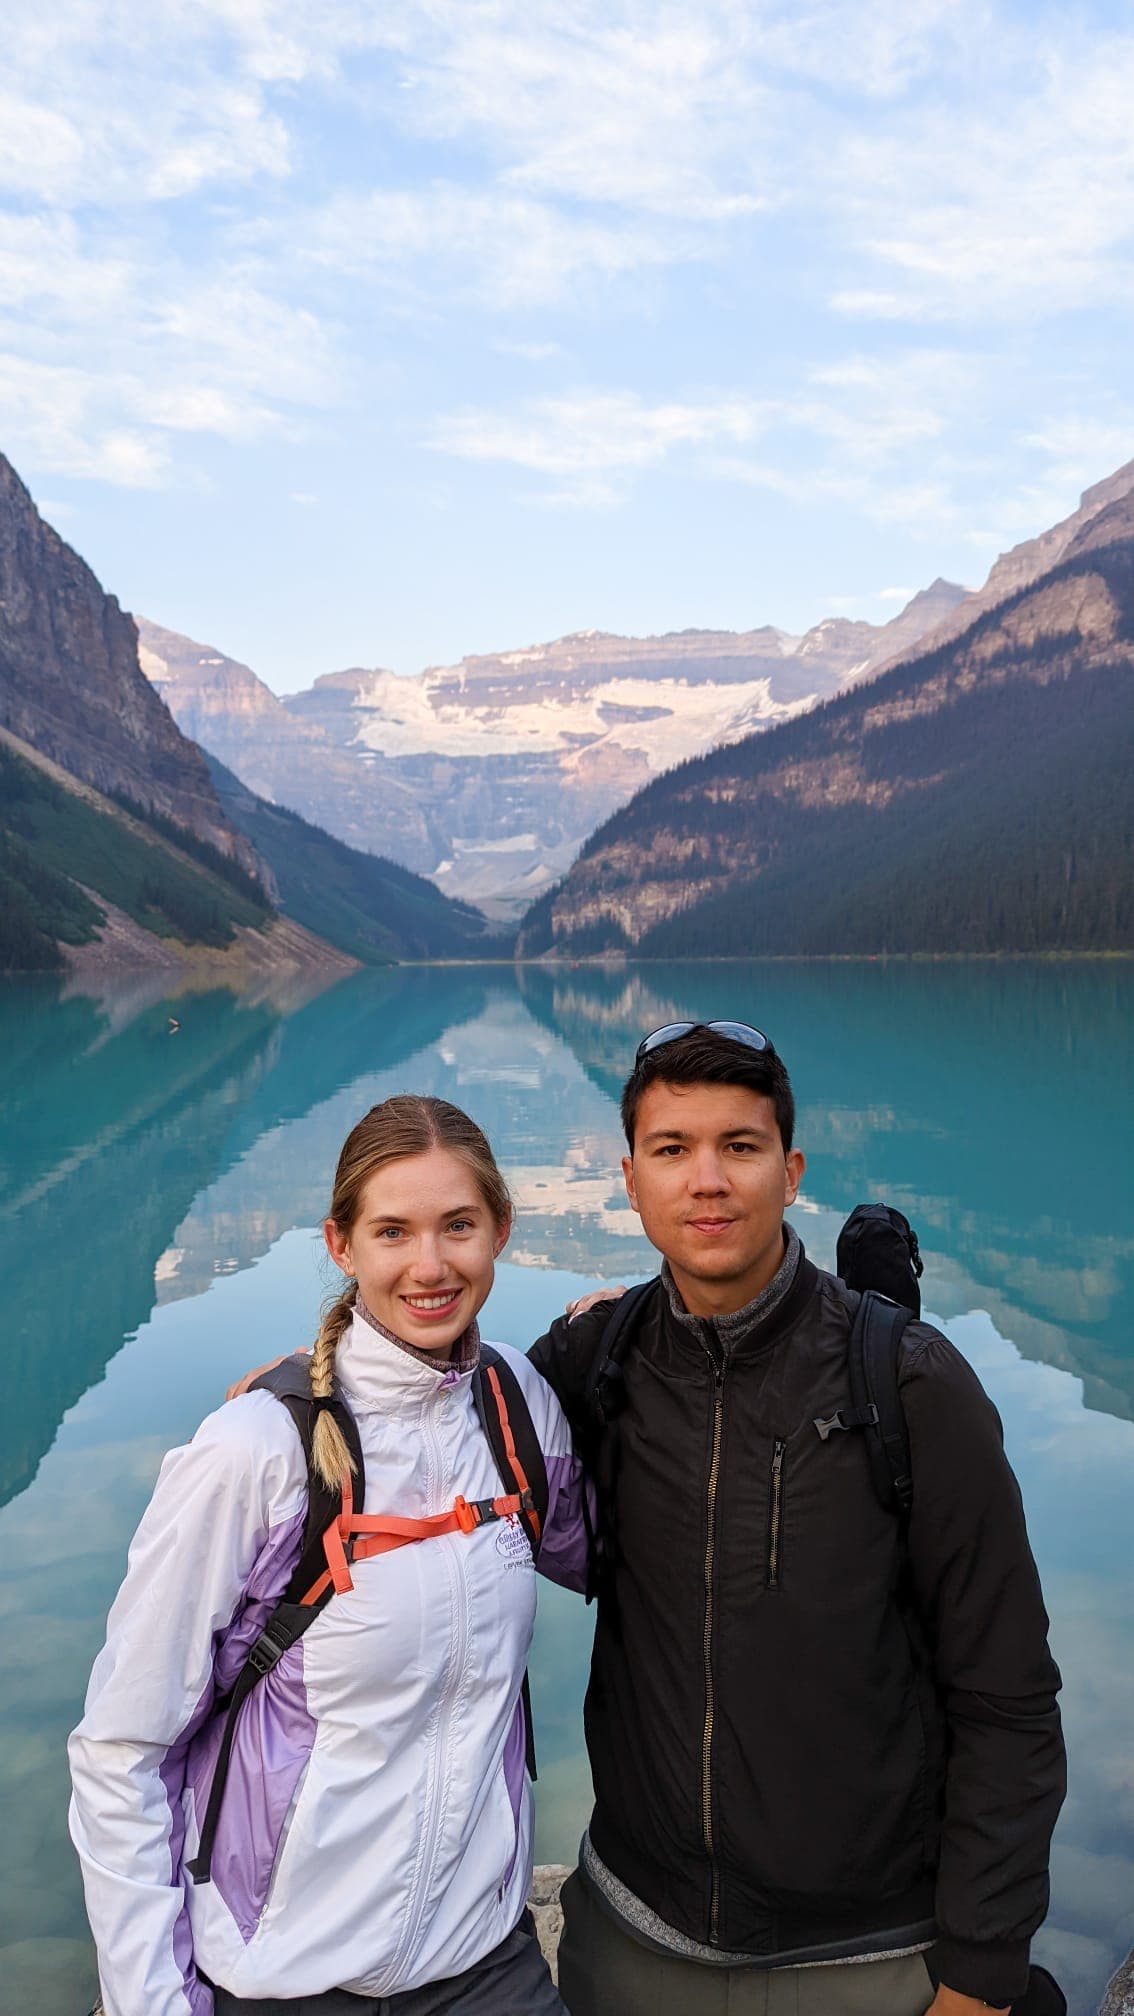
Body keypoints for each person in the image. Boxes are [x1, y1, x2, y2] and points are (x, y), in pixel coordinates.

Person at [529, 1021, 1067, 2016]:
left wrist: (982, 1974)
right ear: (630, 1179)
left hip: (869, 1959)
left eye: (740, 1145)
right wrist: (308, 1390)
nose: (708, 1179)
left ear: (791, 1171)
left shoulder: (909, 1385)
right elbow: (431, 1423)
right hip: (631, 1940)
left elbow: (1010, 1697)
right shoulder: (591, 1366)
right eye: (672, 1150)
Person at [69, 1094, 590, 2016]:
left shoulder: (517, 1409)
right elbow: (121, 1750)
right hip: (286, 1984)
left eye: (459, 1226)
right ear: (342, 1246)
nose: (431, 1266)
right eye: (393, 1231)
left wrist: (653, 1317)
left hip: (484, 1970)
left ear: (500, 1232)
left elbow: (640, 1558)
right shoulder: (253, 1453)